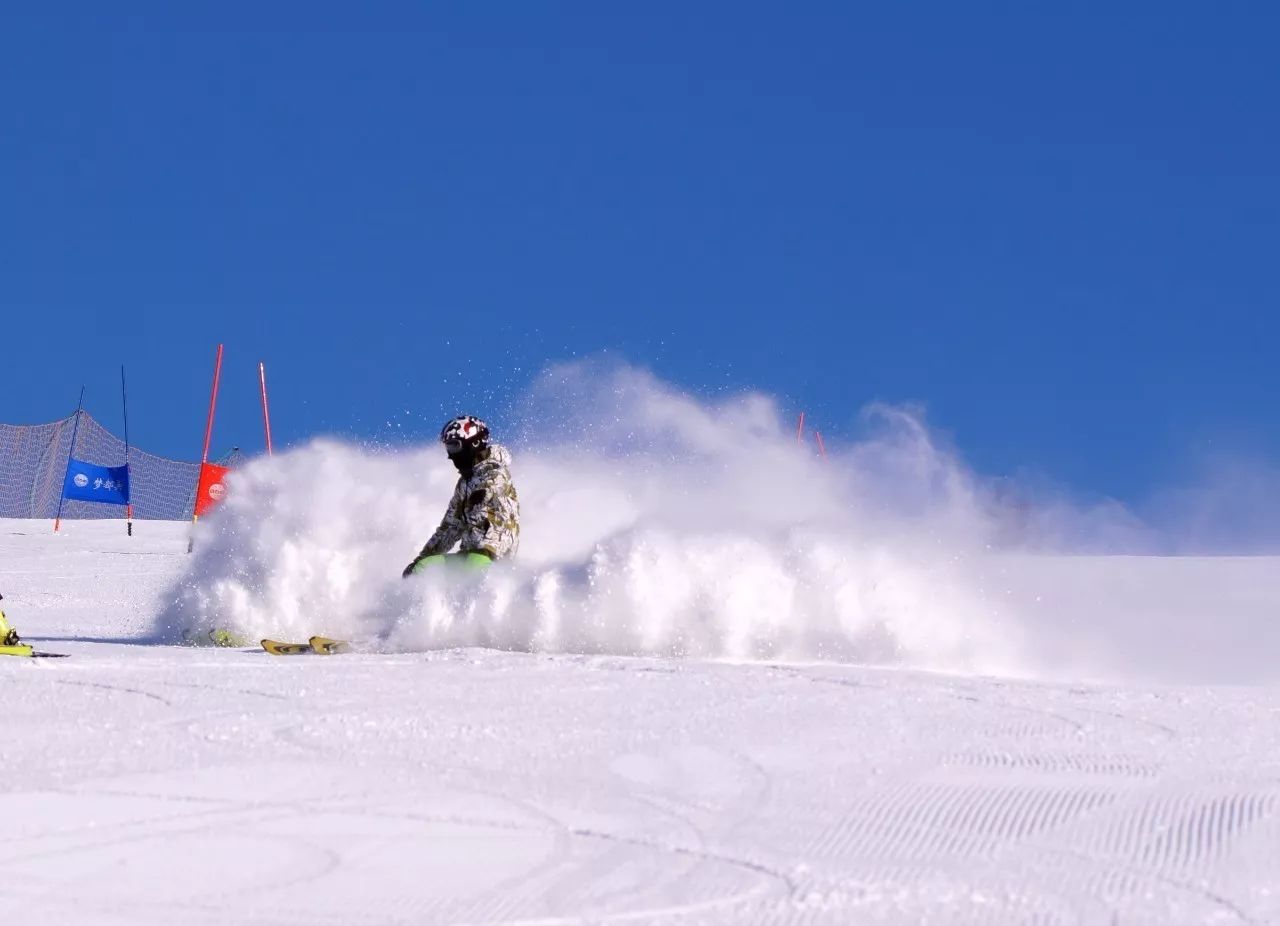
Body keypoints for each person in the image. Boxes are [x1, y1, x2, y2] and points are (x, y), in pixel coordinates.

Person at [403, 415, 520, 576]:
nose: (451, 455)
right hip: (470, 555)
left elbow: (496, 486)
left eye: (454, 447)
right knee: (421, 569)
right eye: (448, 448)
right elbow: (450, 527)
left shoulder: (495, 472)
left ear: (474, 442)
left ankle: (479, 593)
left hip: (489, 554)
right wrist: (421, 558)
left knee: (462, 571)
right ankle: (430, 599)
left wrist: (482, 494)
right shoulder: (464, 484)